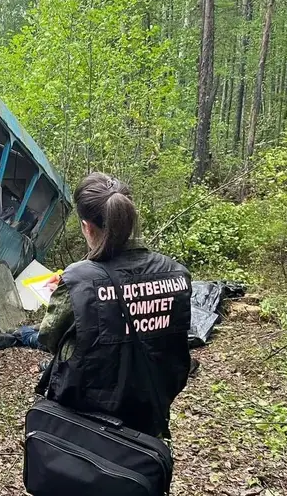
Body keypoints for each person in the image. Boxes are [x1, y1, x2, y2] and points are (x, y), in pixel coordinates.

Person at [37, 172, 191, 438]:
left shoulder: (77, 279)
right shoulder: (177, 273)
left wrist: (64, 294)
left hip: (85, 421)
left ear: (87, 227)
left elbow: (50, 340)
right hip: (148, 419)